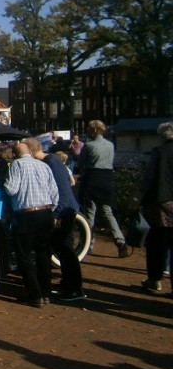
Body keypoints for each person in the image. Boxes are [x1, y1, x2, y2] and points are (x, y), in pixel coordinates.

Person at [26, 138, 86, 301]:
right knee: (61, 248)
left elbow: (63, 192)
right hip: (65, 210)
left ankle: (75, 287)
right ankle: (68, 283)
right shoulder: (51, 161)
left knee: (64, 249)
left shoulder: (51, 163)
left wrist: (56, 215)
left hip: (64, 212)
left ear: (30, 152)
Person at [4, 140, 59, 308]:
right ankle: (46, 292)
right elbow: (54, 193)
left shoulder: (16, 165)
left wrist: (3, 182)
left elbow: (11, 189)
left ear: (14, 154)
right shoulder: (43, 166)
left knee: (25, 256)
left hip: (27, 215)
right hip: (45, 212)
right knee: (43, 253)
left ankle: (34, 294)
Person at [77, 120, 130, 257]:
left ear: (94, 130)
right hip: (106, 179)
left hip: (92, 178)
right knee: (108, 212)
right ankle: (120, 241)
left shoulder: (89, 146)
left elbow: (80, 163)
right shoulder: (110, 145)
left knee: (90, 213)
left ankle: (88, 243)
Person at [135, 121, 173, 295]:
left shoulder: (159, 152)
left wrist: (136, 200)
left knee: (157, 242)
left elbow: (149, 180)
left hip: (161, 203)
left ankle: (155, 279)